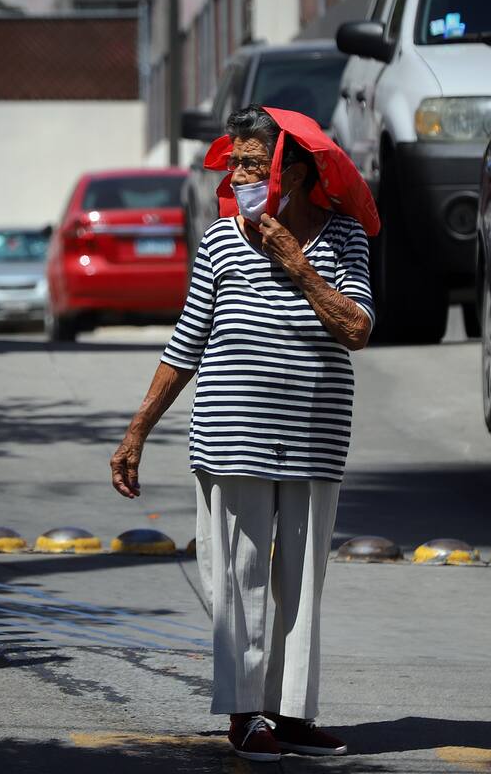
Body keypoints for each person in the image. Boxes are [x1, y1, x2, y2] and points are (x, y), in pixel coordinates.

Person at [110, 104, 375, 763]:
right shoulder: (221, 241)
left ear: (295, 171)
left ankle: (290, 714)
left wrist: (297, 264)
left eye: (254, 164)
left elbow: (357, 329)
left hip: (314, 435)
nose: (239, 176)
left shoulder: (345, 237)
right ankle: (244, 713)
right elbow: (186, 344)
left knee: (302, 584)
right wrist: (138, 431)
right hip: (233, 433)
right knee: (241, 578)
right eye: (235, 164)